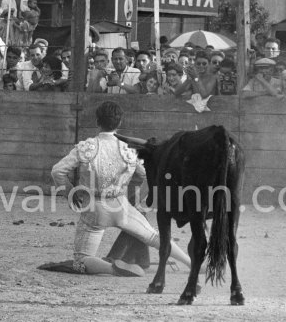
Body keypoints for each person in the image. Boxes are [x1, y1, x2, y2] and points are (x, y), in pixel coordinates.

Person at [50, 101, 192, 276]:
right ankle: (191, 263)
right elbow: (147, 174)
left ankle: (112, 269)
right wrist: (140, 198)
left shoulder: (87, 147)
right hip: (120, 205)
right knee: (154, 237)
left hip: (94, 209)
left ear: (97, 121)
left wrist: (70, 191)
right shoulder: (128, 149)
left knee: (80, 261)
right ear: (119, 123)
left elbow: (57, 171)